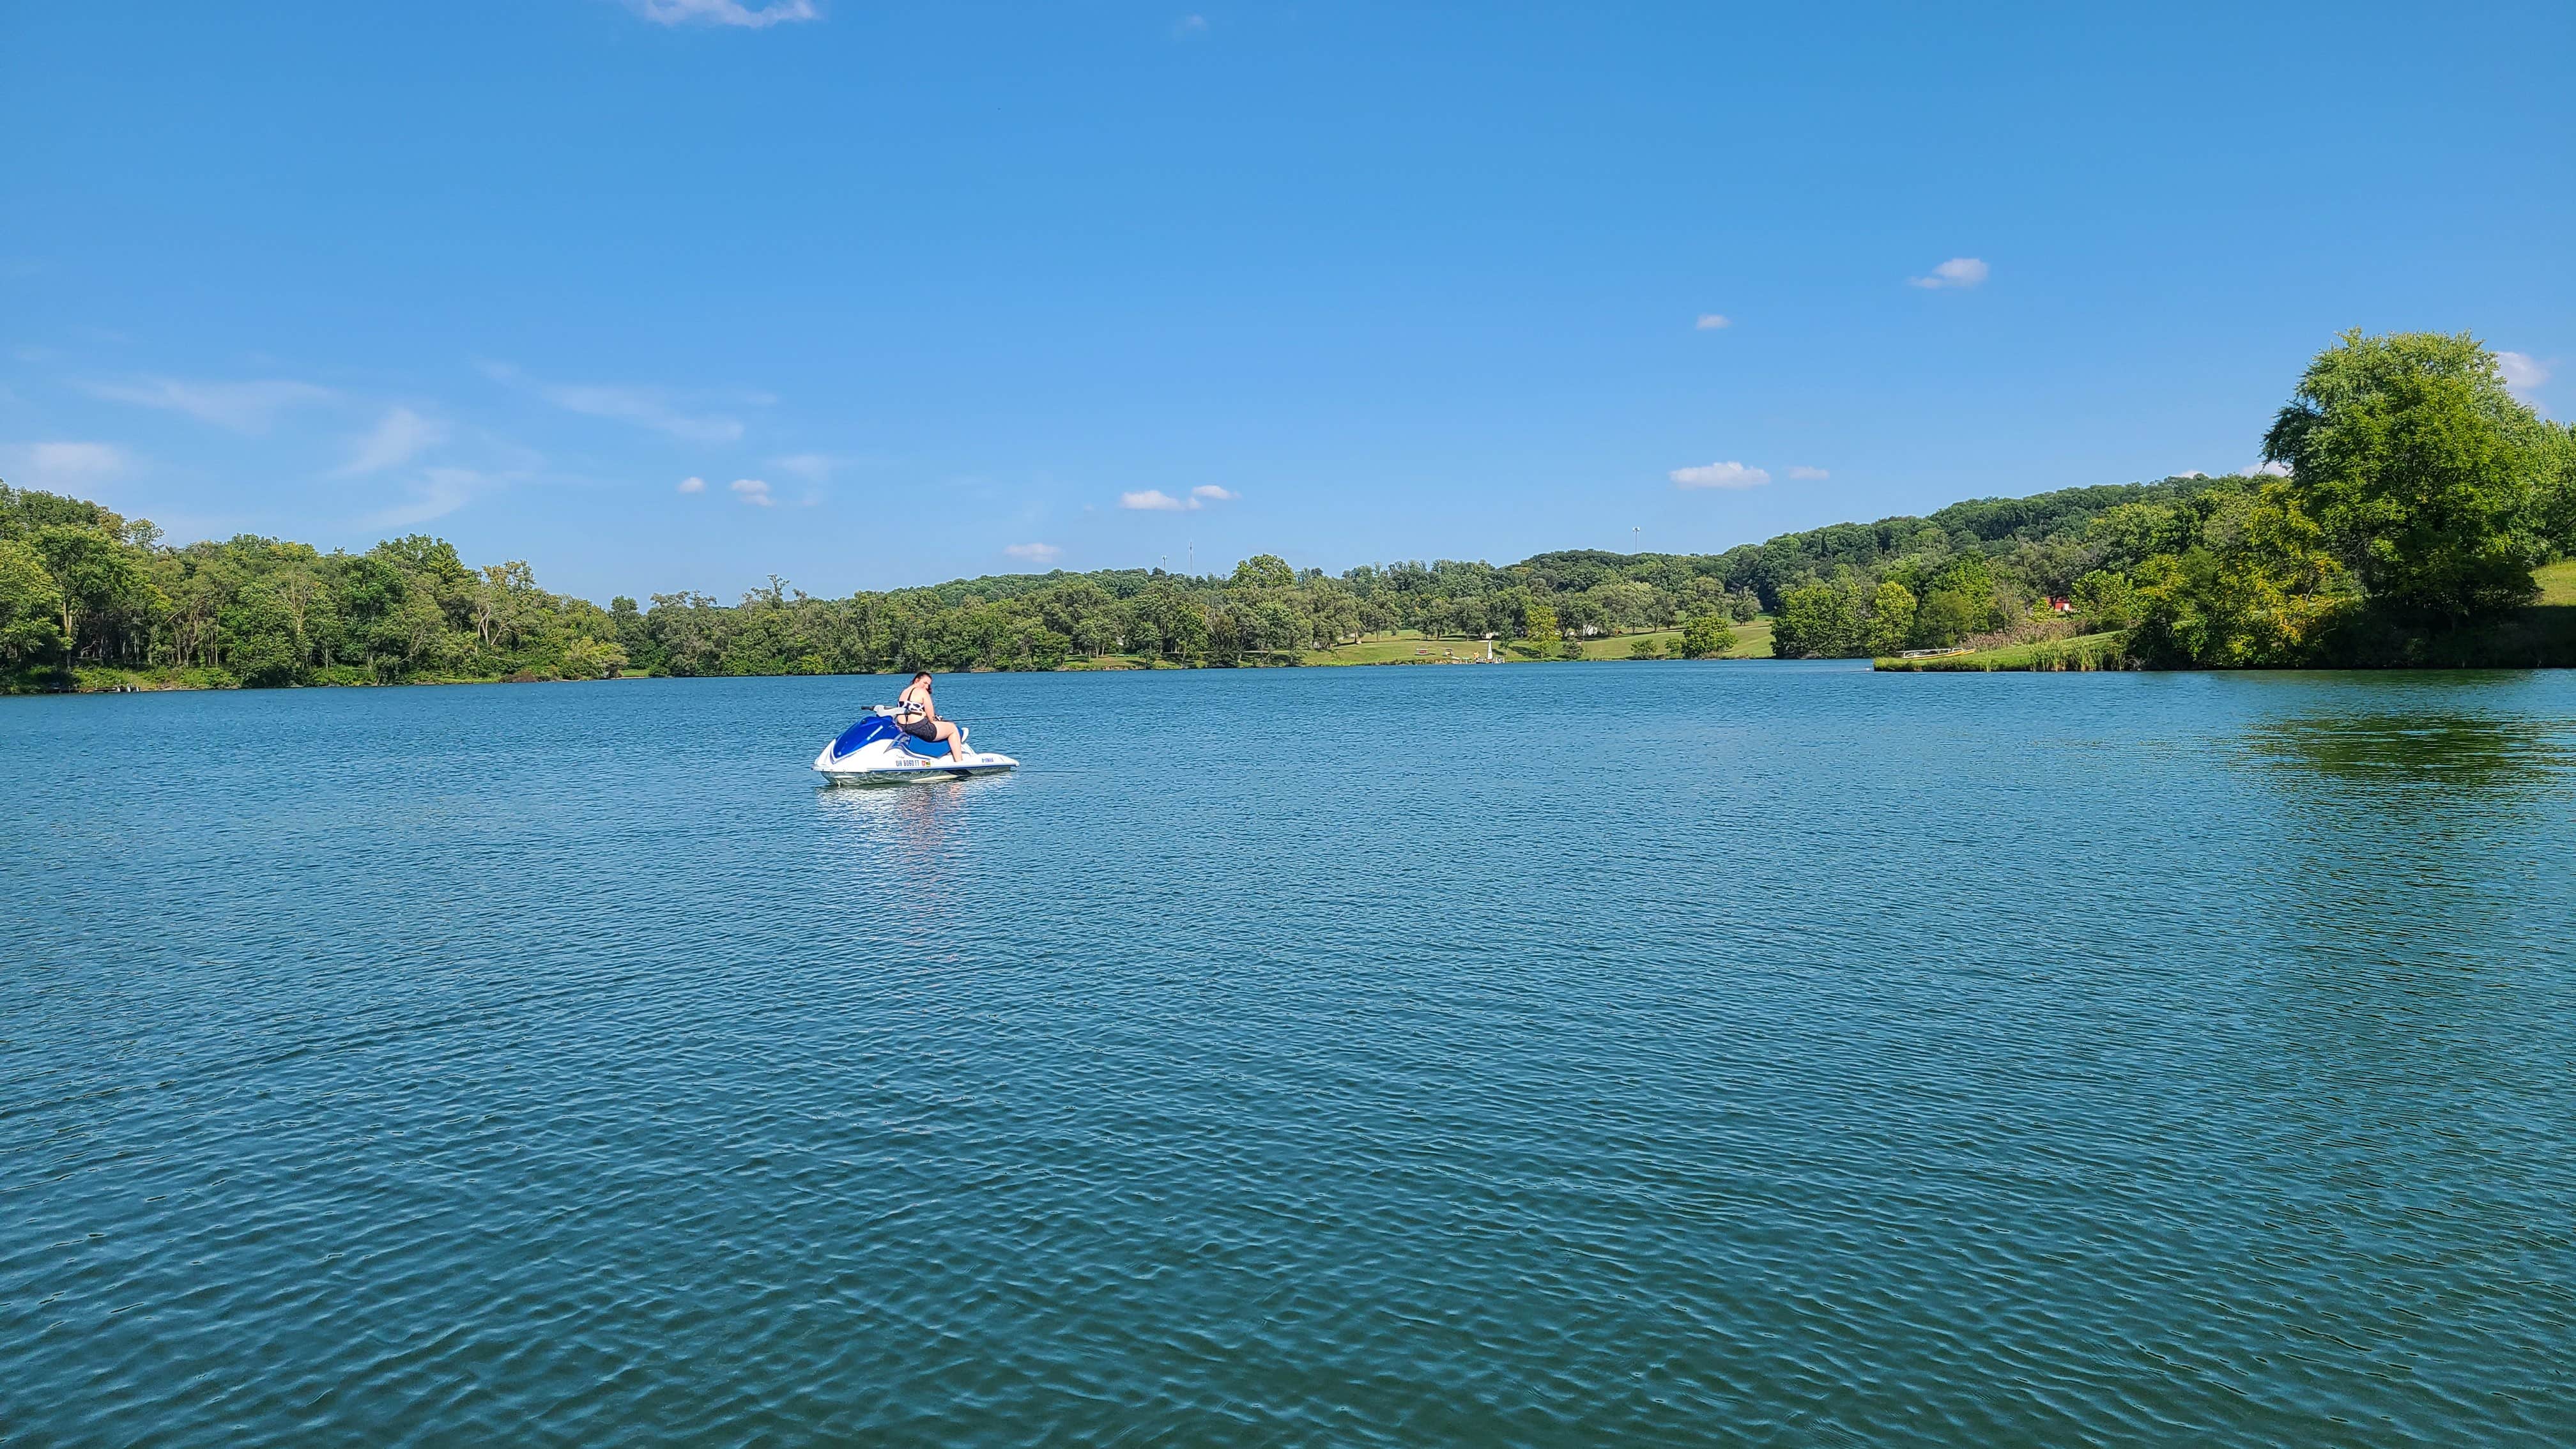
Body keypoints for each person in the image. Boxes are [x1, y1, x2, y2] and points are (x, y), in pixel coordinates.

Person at [894, 671, 969, 757]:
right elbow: (932, 718)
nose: (926, 687)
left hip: (904, 728)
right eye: (925, 683)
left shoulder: (903, 692)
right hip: (920, 728)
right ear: (917, 680)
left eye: (929, 685)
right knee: (952, 728)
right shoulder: (922, 692)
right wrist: (940, 721)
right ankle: (959, 761)